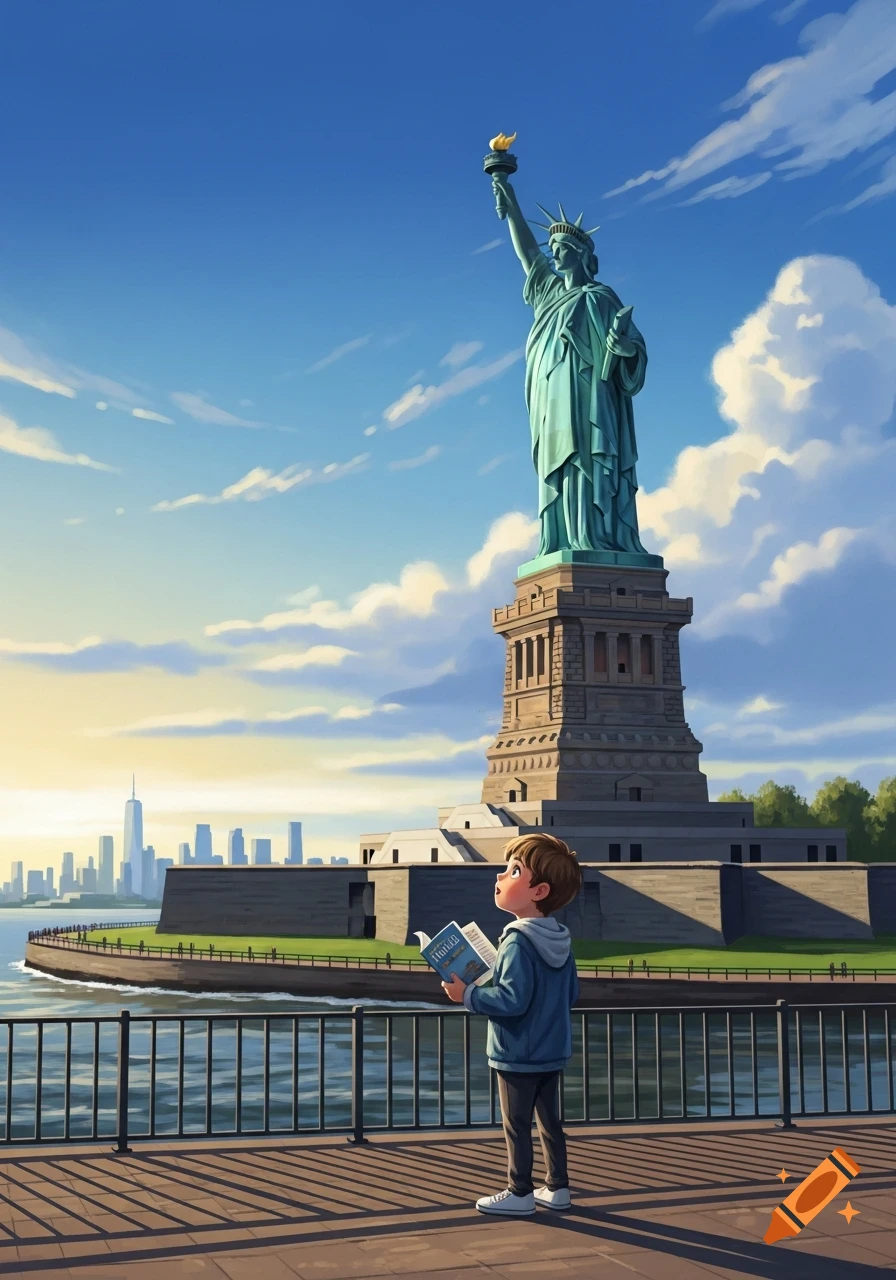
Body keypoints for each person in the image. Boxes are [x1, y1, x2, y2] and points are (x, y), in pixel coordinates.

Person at [441, 833, 583, 1216]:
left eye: (514, 870)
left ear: (538, 891)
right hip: (553, 1051)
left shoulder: (517, 942)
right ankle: (558, 1187)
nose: (500, 877)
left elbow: (511, 1000)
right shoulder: (560, 940)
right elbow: (570, 994)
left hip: (517, 1052)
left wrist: (466, 996)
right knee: (550, 1122)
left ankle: (519, 1191)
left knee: (516, 1125)